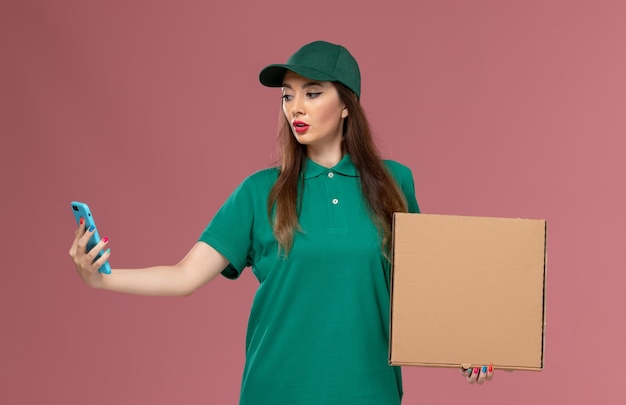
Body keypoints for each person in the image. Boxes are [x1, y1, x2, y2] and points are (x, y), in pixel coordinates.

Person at [69, 40, 493, 405]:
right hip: (276, 391)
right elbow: (184, 277)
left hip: (371, 393)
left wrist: (473, 345)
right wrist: (101, 279)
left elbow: (423, 291)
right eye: (288, 96)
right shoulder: (260, 193)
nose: (296, 108)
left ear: (346, 105)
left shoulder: (394, 183)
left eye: (312, 93)